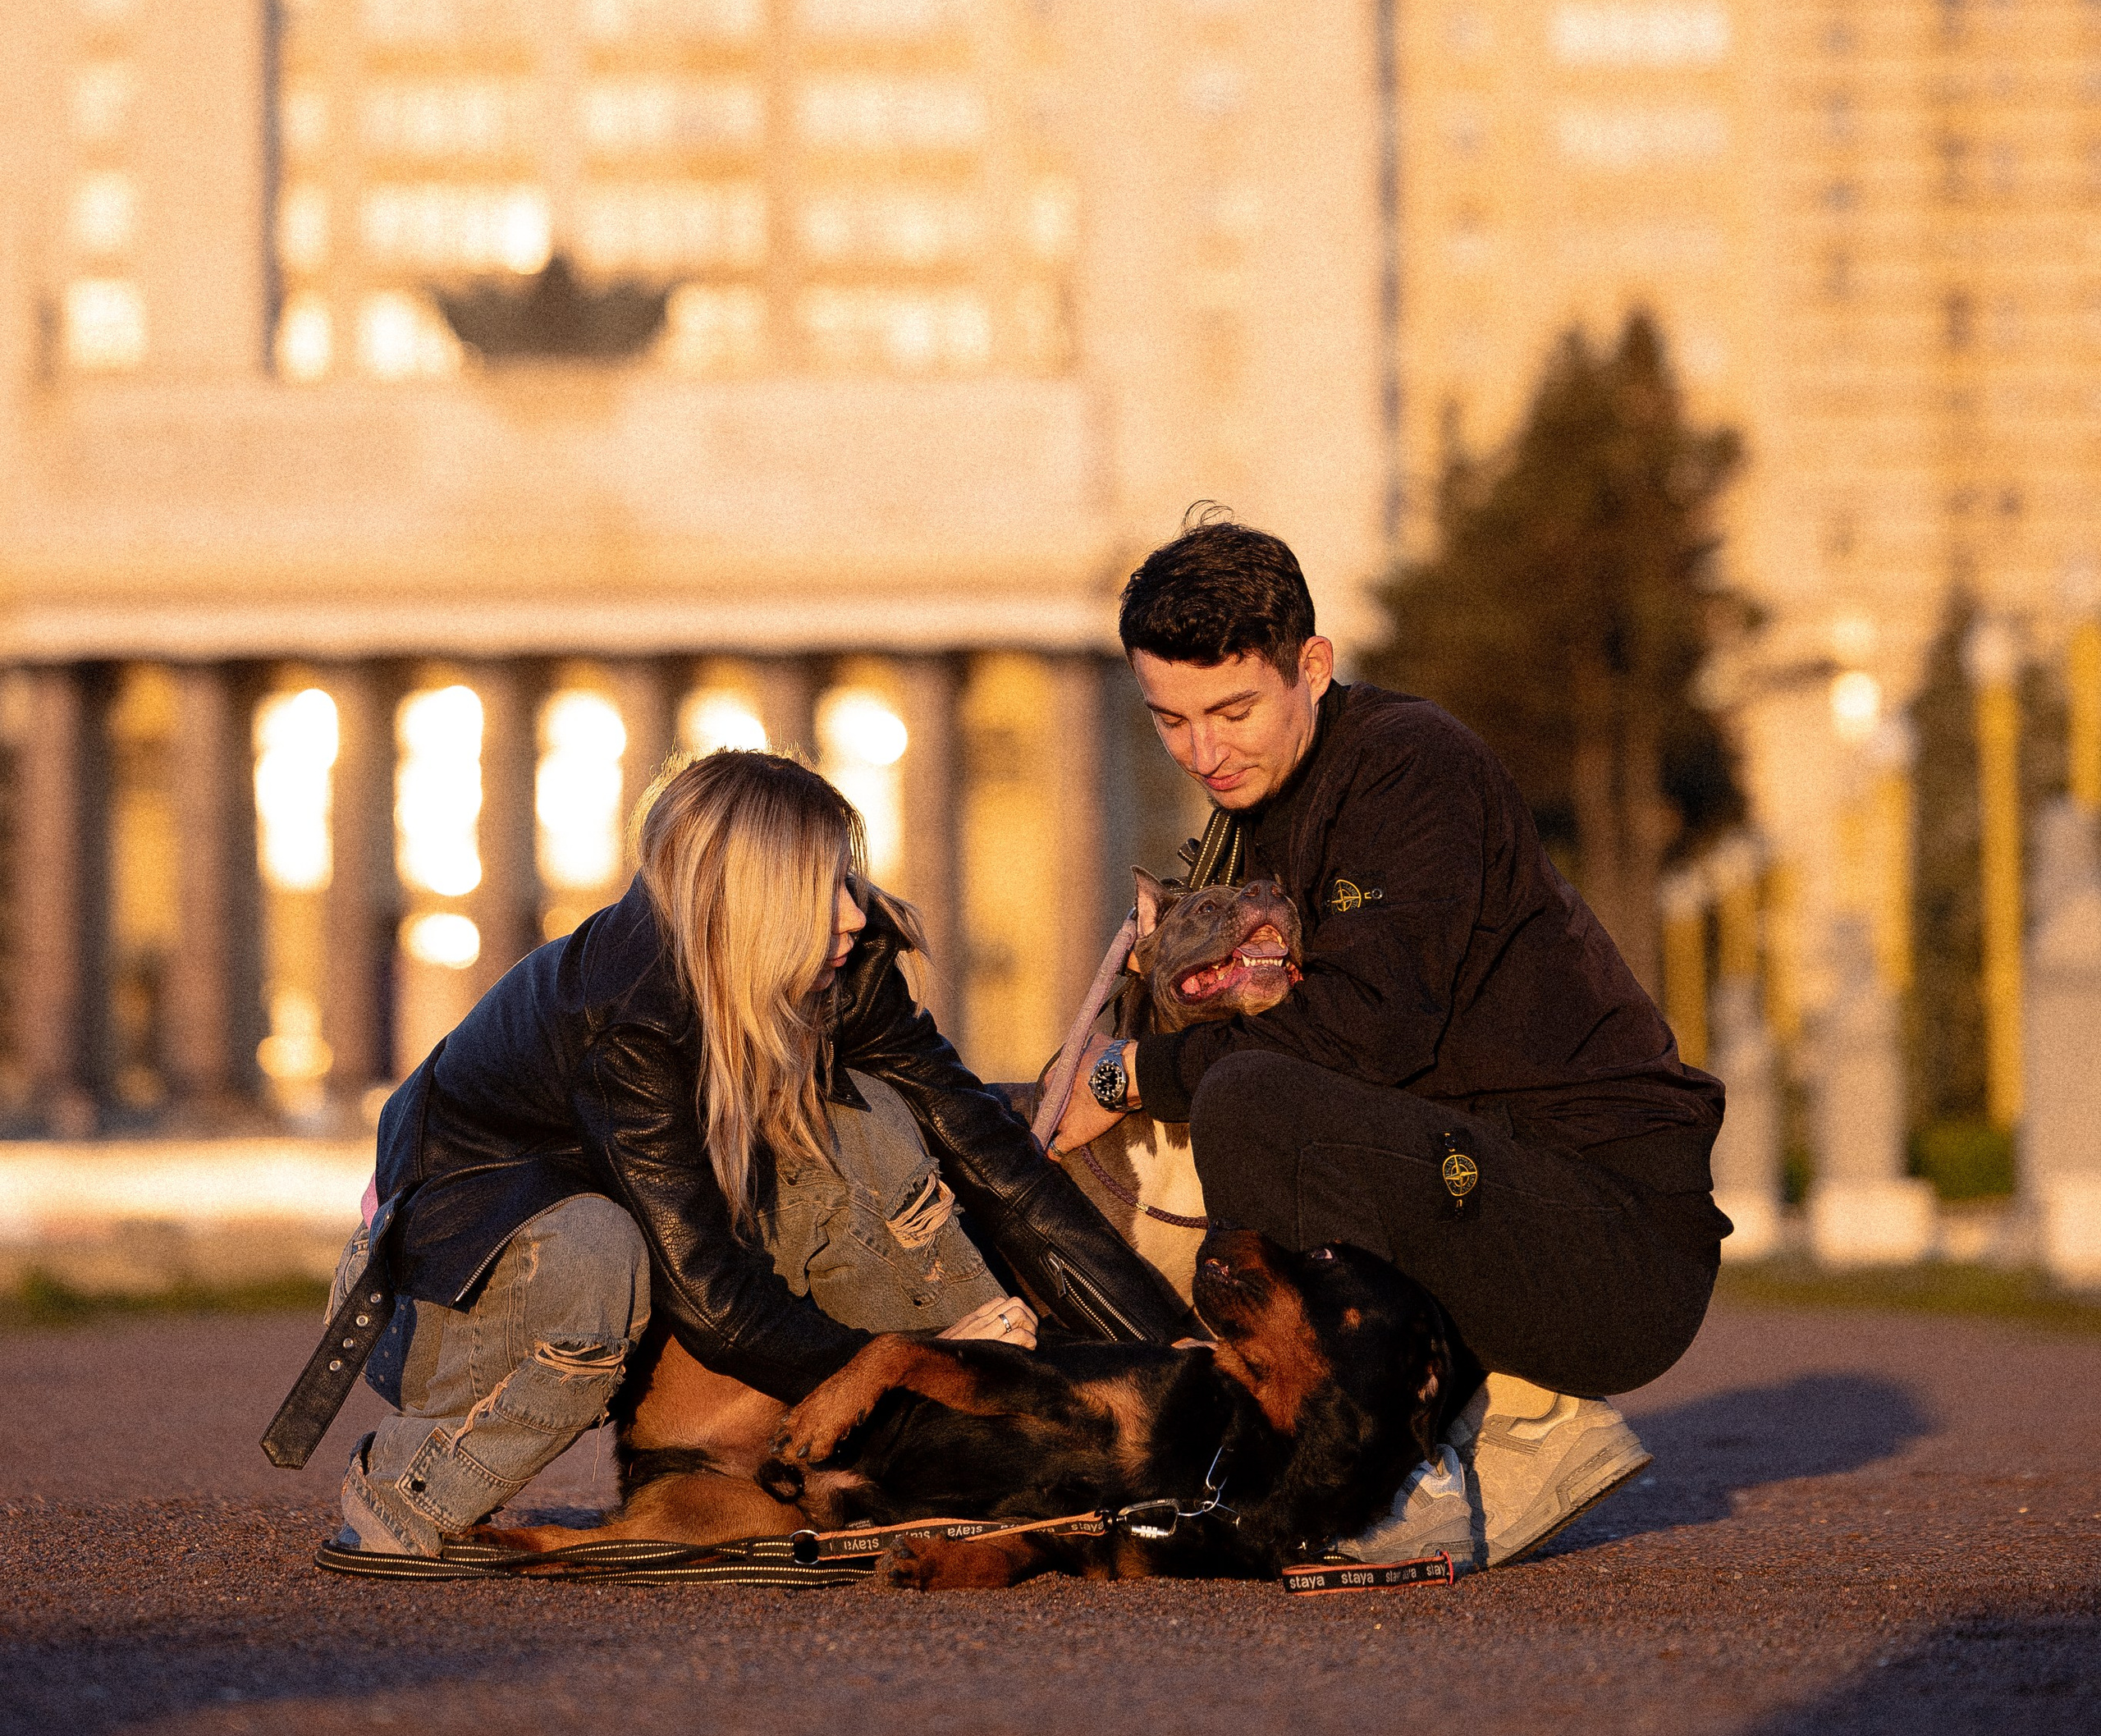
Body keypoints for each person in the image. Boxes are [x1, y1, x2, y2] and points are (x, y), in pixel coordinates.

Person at [1051, 518, 1728, 1569]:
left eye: (1232, 709)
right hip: (1493, 1186)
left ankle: (1393, 1476)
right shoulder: (1258, 815)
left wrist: (1129, 1074)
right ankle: (1510, 1417)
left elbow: (1360, 1033)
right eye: (1169, 720)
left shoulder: (1411, 766)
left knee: (1254, 1101)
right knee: (1230, 1107)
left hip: (1615, 1231)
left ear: (1311, 667)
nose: (1203, 751)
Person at [323, 744, 1186, 1560]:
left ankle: (1006, 1445)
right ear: (747, 903)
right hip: (440, 1299)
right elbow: (714, 1302)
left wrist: (1169, 1360)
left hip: (630, 1286)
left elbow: (1001, 1168)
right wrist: (909, 1369)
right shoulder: (626, 1017)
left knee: (866, 1114)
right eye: (820, 890)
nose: (854, 911)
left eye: (847, 878)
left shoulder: (845, 967)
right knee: (594, 1250)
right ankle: (409, 1484)